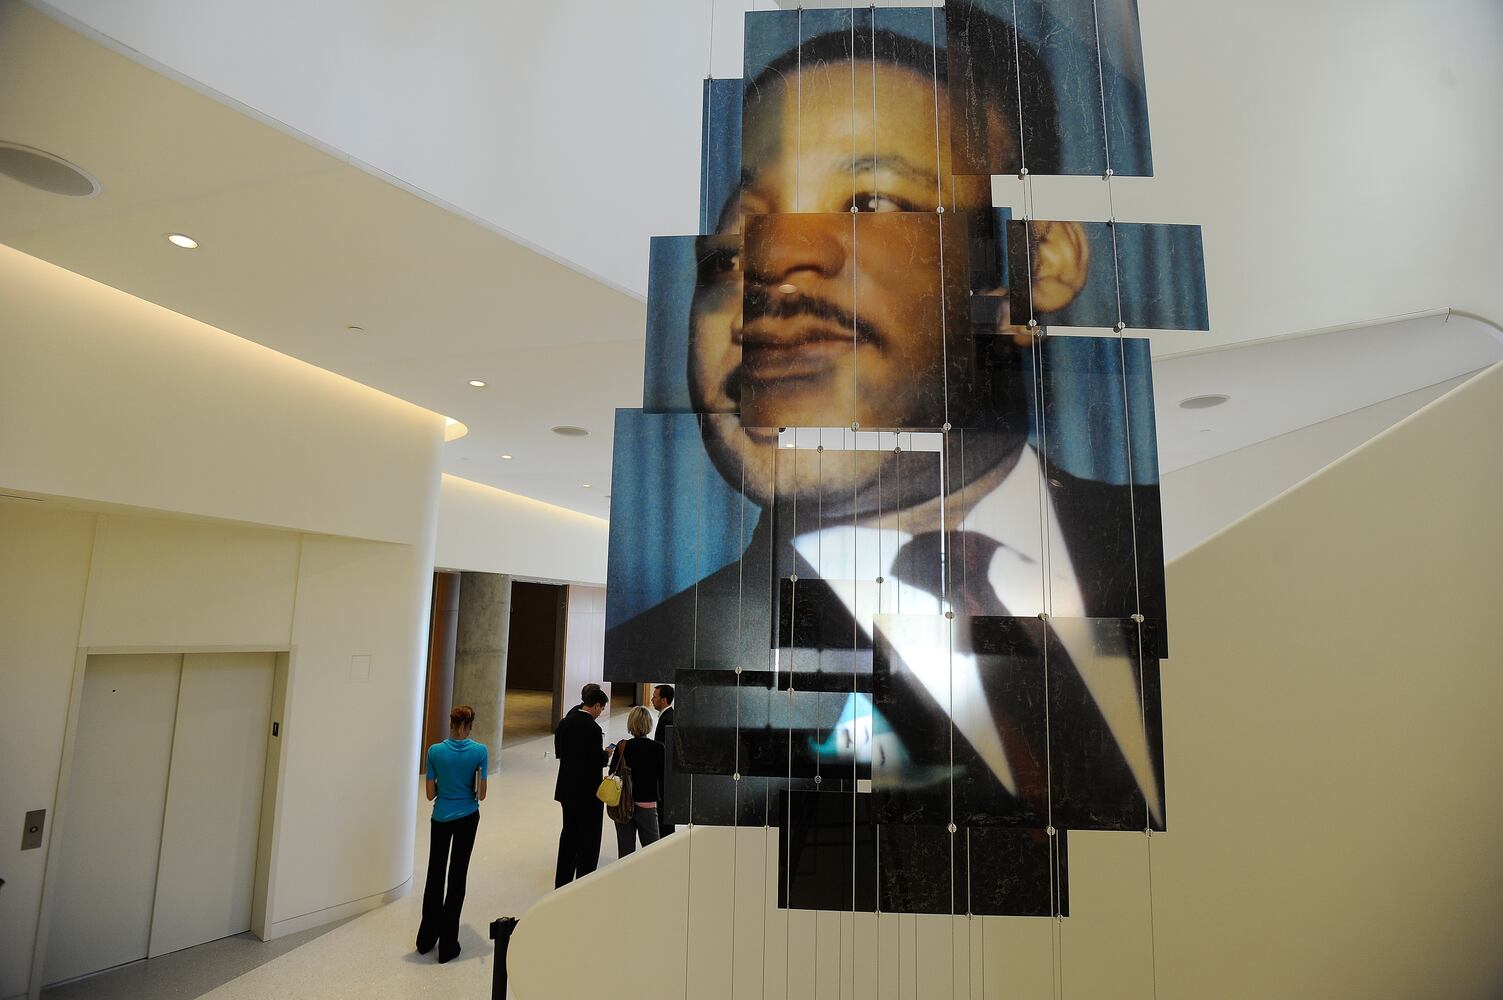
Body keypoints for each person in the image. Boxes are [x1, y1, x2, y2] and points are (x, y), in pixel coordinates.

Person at [605, 17, 1166, 832]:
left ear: (1035, 264)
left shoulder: (1173, 563)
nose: (769, 268)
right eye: (729, 252)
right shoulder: (684, 654)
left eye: (870, 203)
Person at [416, 704, 487, 963]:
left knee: (435, 874)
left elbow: (429, 794)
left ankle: (426, 939)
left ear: (450, 723)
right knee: (457, 877)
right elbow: (482, 794)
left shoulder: (435, 751)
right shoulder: (480, 751)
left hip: (441, 817)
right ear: (470, 726)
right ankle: (448, 945)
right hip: (467, 817)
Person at [553, 684, 610, 887]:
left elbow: (559, 752)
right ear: (596, 706)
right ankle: (585, 881)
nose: (600, 713)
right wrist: (606, 754)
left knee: (569, 834)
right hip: (588, 793)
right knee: (589, 838)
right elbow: (597, 761)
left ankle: (562, 882)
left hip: (567, 789)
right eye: (601, 708)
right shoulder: (593, 729)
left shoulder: (565, 722)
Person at [611, 706, 666, 857]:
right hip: (647, 804)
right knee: (653, 853)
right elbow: (663, 778)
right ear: (649, 724)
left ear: (631, 723)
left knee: (625, 853)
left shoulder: (622, 747)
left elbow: (612, 773)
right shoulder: (658, 748)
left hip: (623, 804)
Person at [651, 684, 676, 835]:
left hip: (665, 776)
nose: (652, 700)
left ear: (664, 700)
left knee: (664, 815)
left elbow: (664, 751)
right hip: (666, 776)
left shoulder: (667, 720)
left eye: (655, 697)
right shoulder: (668, 716)